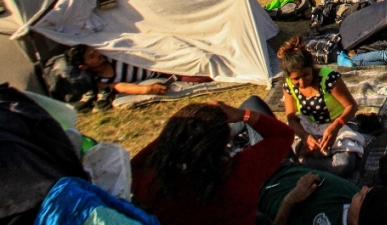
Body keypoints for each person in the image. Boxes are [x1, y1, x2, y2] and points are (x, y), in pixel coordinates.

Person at [132, 99, 296, 225]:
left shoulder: (152, 183)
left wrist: (178, 130)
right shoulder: (240, 172)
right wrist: (242, 114)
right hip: (278, 178)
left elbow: (132, 166)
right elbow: (283, 135)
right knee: (253, 102)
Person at [279, 41, 361, 177]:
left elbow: (352, 106)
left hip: (340, 125)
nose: (302, 81)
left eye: (306, 75)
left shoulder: (328, 79)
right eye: (296, 79)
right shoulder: (288, 86)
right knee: (283, 150)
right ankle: (312, 158)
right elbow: (291, 119)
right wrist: (305, 137)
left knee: (343, 165)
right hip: (310, 127)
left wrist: (336, 126)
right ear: (289, 77)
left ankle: (304, 163)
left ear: (312, 68)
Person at [260, 169, 387, 225]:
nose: (364, 187)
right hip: (283, 163)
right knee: (252, 106)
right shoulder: (382, 209)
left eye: (362, 196)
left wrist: (289, 201)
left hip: (258, 187)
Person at [67, 44, 167, 111]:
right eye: (92, 56)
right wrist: (147, 89)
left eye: (95, 51)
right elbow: (120, 86)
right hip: (162, 73)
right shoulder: (100, 81)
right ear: (83, 66)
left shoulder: (111, 55)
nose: (98, 54)